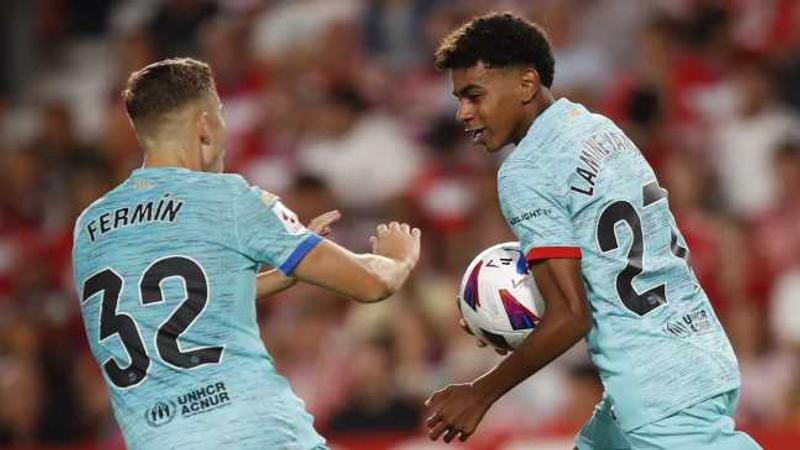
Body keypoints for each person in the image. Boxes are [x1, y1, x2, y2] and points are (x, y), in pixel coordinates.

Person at [425, 12, 761, 450]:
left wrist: (480, 394)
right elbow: (602, 262)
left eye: (474, 95)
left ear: (526, 84)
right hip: (698, 351)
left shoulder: (525, 172)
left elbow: (571, 315)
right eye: (459, 98)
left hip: (655, 391)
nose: (463, 112)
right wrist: (504, 310)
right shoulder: (600, 129)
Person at [71, 58, 421, 450]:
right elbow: (371, 284)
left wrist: (282, 276)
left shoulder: (90, 226)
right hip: (260, 436)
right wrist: (399, 257)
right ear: (204, 125)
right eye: (220, 115)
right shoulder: (230, 199)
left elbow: (161, 305)